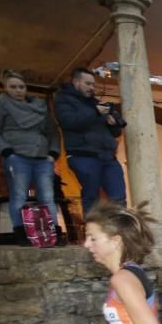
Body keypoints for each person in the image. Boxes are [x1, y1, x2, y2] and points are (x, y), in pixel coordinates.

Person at [0, 69, 62, 247]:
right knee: (19, 196)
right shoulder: (0, 106)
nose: (18, 90)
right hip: (17, 157)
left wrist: (53, 154)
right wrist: (6, 152)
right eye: (13, 87)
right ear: (5, 87)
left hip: (42, 158)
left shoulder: (39, 107)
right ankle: (22, 233)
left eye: (21, 86)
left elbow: (52, 132)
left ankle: (53, 234)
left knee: (47, 197)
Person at [54, 68, 126, 214]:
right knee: (92, 197)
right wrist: (95, 112)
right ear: (76, 82)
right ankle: (93, 235)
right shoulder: (63, 99)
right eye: (88, 84)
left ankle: (121, 233)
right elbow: (69, 122)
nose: (92, 88)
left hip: (107, 155)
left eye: (93, 85)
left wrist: (113, 124)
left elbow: (115, 133)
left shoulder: (96, 103)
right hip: (83, 155)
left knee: (118, 198)